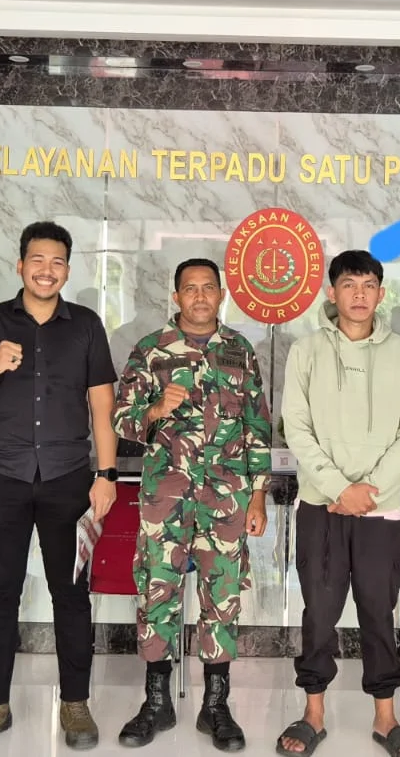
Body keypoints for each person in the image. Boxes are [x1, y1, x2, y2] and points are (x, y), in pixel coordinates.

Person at [0, 221, 119, 753]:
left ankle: (76, 702)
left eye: (58, 262)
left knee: (71, 594)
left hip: (68, 479)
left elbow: (102, 407)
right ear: (20, 265)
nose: (47, 270)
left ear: (67, 269)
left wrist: (106, 475)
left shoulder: (85, 325)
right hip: (3, 476)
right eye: (38, 260)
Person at [112, 258, 272, 752]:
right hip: (166, 499)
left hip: (225, 500)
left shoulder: (239, 350)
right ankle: (156, 703)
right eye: (190, 288)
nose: (200, 296)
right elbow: (121, 420)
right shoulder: (151, 349)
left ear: (221, 295)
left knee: (221, 598)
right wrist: (156, 409)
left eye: (208, 288)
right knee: (156, 594)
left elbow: (257, 427)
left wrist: (258, 494)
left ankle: (215, 707)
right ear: (176, 296)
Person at [276, 250, 400, 757]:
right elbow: (297, 428)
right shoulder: (306, 351)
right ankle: (313, 713)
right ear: (332, 292)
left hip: (379, 509)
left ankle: (386, 718)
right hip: (321, 506)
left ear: (381, 294)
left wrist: (368, 491)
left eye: (368, 286)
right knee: (319, 611)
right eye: (348, 285)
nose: (359, 295)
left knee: (378, 611)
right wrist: (340, 488)